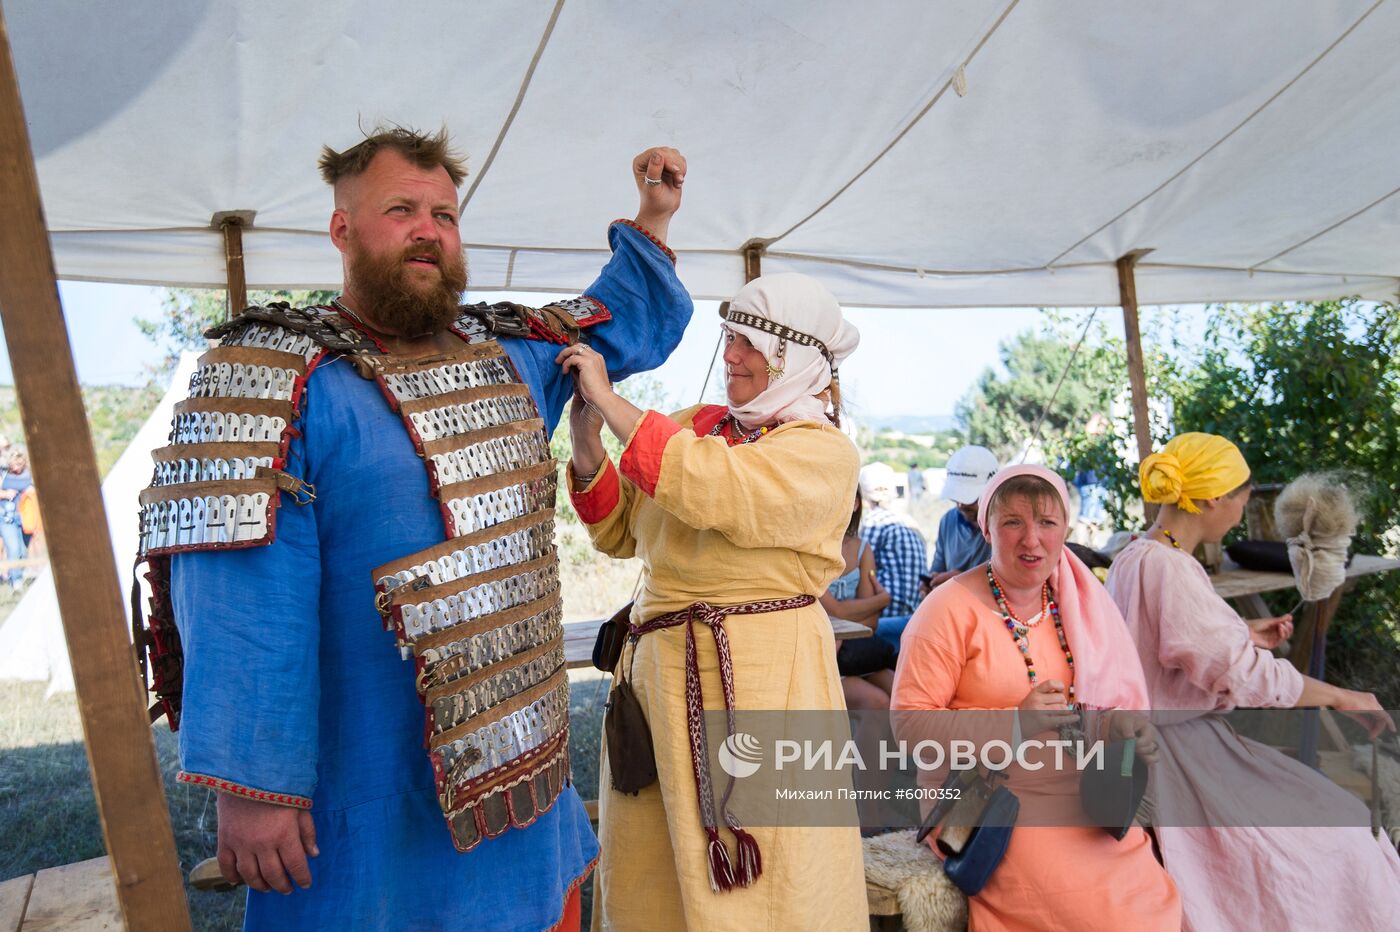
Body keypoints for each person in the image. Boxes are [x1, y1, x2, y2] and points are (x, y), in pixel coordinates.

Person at [134, 126, 693, 930]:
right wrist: (254, 790)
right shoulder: (270, 374)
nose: (428, 230)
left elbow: (616, 321)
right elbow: (240, 604)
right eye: (401, 209)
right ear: (343, 229)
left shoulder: (508, 351)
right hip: (363, 782)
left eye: (445, 214)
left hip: (519, 792)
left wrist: (654, 218)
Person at [565, 272, 867, 930]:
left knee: (765, 876)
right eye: (729, 337)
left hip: (762, 684)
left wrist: (616, 406)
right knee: (653, 873)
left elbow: (718, 489)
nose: (730, 354)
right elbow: (620, 532)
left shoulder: (822, 455)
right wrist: (588, 440)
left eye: (750, 343)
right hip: (657, 683)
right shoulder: (691, 429)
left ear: (797, 357)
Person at [1106, 432, 1400, 931]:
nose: (1243, 511)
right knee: (1340, 828)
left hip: (1163, 744)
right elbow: (1245, 677)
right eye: (1241, 497)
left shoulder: (1134, 556)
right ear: (1213, 498)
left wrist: (1239, 631)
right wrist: (1342, 697)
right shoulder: (1171, 568)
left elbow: (1158, 643)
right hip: (1175, 758)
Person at [891, 465, 1181, 931]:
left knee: (1144, 891)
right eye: (1013, 523)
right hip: (983, 797)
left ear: (1065, 529)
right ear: (987, 529)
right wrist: (1015, 724)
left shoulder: (1076, 606)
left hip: (1074, 787)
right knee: (1081, 905)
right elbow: (908, 729)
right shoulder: (946, 610)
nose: (1032, 540)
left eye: (1047, 523)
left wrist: (1116, 727)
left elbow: (1086, 710)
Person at [820, 491, 895, 711]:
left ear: (856, 503)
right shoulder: (812, 548)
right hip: (824, 653)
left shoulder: (863, 549)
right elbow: (838, 612)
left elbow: (870, 624)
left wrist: (856, 611)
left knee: (905, 698)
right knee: (878, 703)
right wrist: (882, 600)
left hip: (855, 650)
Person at [858, 462, 926, 650]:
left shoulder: (873, 522)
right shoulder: (909, 522)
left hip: (886, 616)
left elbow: (856, 569)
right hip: (914, 614)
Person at [921, 444, 998, 596]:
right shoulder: (949, 520)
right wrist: (929, 585)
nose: (961, 505)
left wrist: (962, 579)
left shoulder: (1006, 525)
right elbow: (937, 569)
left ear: (992, 490)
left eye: (969, 498)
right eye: (956, 498)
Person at [0, 449, 33, 590]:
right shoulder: (3, 474)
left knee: (22, 550)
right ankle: (16, 582)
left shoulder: (28, 475)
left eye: (19, 464)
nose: (16, 468)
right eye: (14, 464)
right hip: (7, 518)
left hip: (25, 517)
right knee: (13, 548)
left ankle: (21, 574)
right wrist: (6, 494)